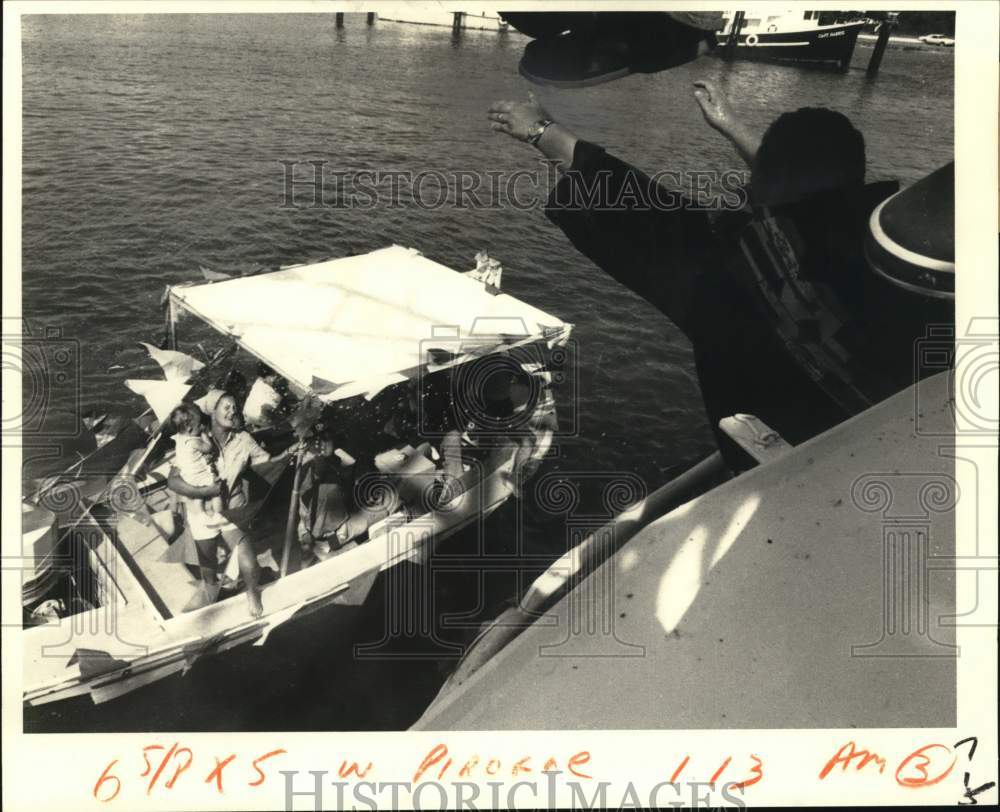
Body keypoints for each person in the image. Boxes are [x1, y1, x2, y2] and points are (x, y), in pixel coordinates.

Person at [488, 81, 953, 471]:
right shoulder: (908, 253)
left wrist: (540, 131)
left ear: (763, 185)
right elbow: (812, 198)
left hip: (784, 483)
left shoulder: (735, 271)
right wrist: (736, 130)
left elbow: (627, 198)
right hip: (905, 463)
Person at [167, 391, 271, 617]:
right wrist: (205, 491)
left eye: (235, 407)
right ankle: (212, 594)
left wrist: (291, 454)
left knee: (251, 563)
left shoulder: (244, 439)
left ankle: (252, 592)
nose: (232, 411)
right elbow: (173, 481)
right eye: (226, 407)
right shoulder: (192, 437)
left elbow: (268, 464)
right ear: (211, 412)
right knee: (209, 571)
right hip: (200, 512)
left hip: (233, 509)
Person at [298, 428, 357, 562]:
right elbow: (303, 507)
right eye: (318, 441)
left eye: (325, 440)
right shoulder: (310, 466)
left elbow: (349, 466)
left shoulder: (337, 462)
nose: (321, 445)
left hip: (338, 527)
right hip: (319, 532)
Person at [168, 403, 225, 518]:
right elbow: (208, 448)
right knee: (216, 495)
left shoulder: (179, 438)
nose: (202, 426)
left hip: (188, 477)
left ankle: (201, 516)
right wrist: (204, 434)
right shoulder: (193, 441)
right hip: (199, 474)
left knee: (198, 498)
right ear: (189, 429)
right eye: (199, 425)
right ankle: (220, 516)